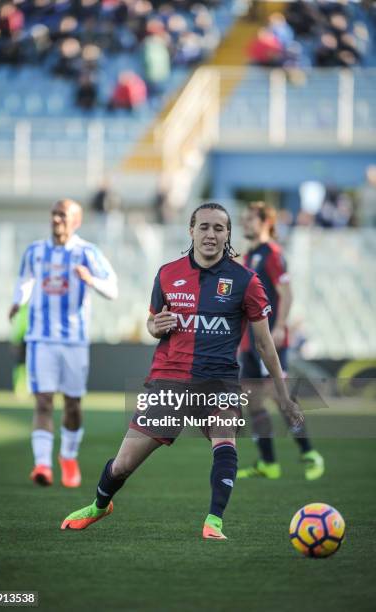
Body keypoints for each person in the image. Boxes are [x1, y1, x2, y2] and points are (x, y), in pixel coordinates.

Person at [61, 202, 302, 540]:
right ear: (191, 231)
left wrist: (282, 392)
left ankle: (213, 521)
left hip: (218, 381)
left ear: (228, 234)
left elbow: (264, 344)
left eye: (219, 228)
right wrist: (154, 325)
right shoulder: (167, 274)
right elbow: (152, 322)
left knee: (225, 438)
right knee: (123, 464)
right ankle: (100, 505)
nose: (210, 234)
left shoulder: (246, 281)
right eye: (204, 227)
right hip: (168, 381)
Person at [9, 199, 118, 488]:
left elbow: (113, 288)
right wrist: (16, 301)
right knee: (43, 400)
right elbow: (24, 281)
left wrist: (91, 280)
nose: (57, 219)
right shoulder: (35, 251)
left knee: (73, 404)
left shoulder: (87, 252)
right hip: (40, 339)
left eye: (63, 215)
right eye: (55, 214)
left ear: (76, 221)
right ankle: (42, 465)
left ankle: (68, 457)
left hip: (74, 341)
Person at [236, 202, 324, 481]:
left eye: (250, 219)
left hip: (268, 339)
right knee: (254, 401)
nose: (245, 223)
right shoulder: (249, 255)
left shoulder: (272, 253)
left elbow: (286, 293)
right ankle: (268, 462)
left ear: (265, 222)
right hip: (249, 342)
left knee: (280, 396)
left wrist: (280, 326)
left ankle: (309, 452)